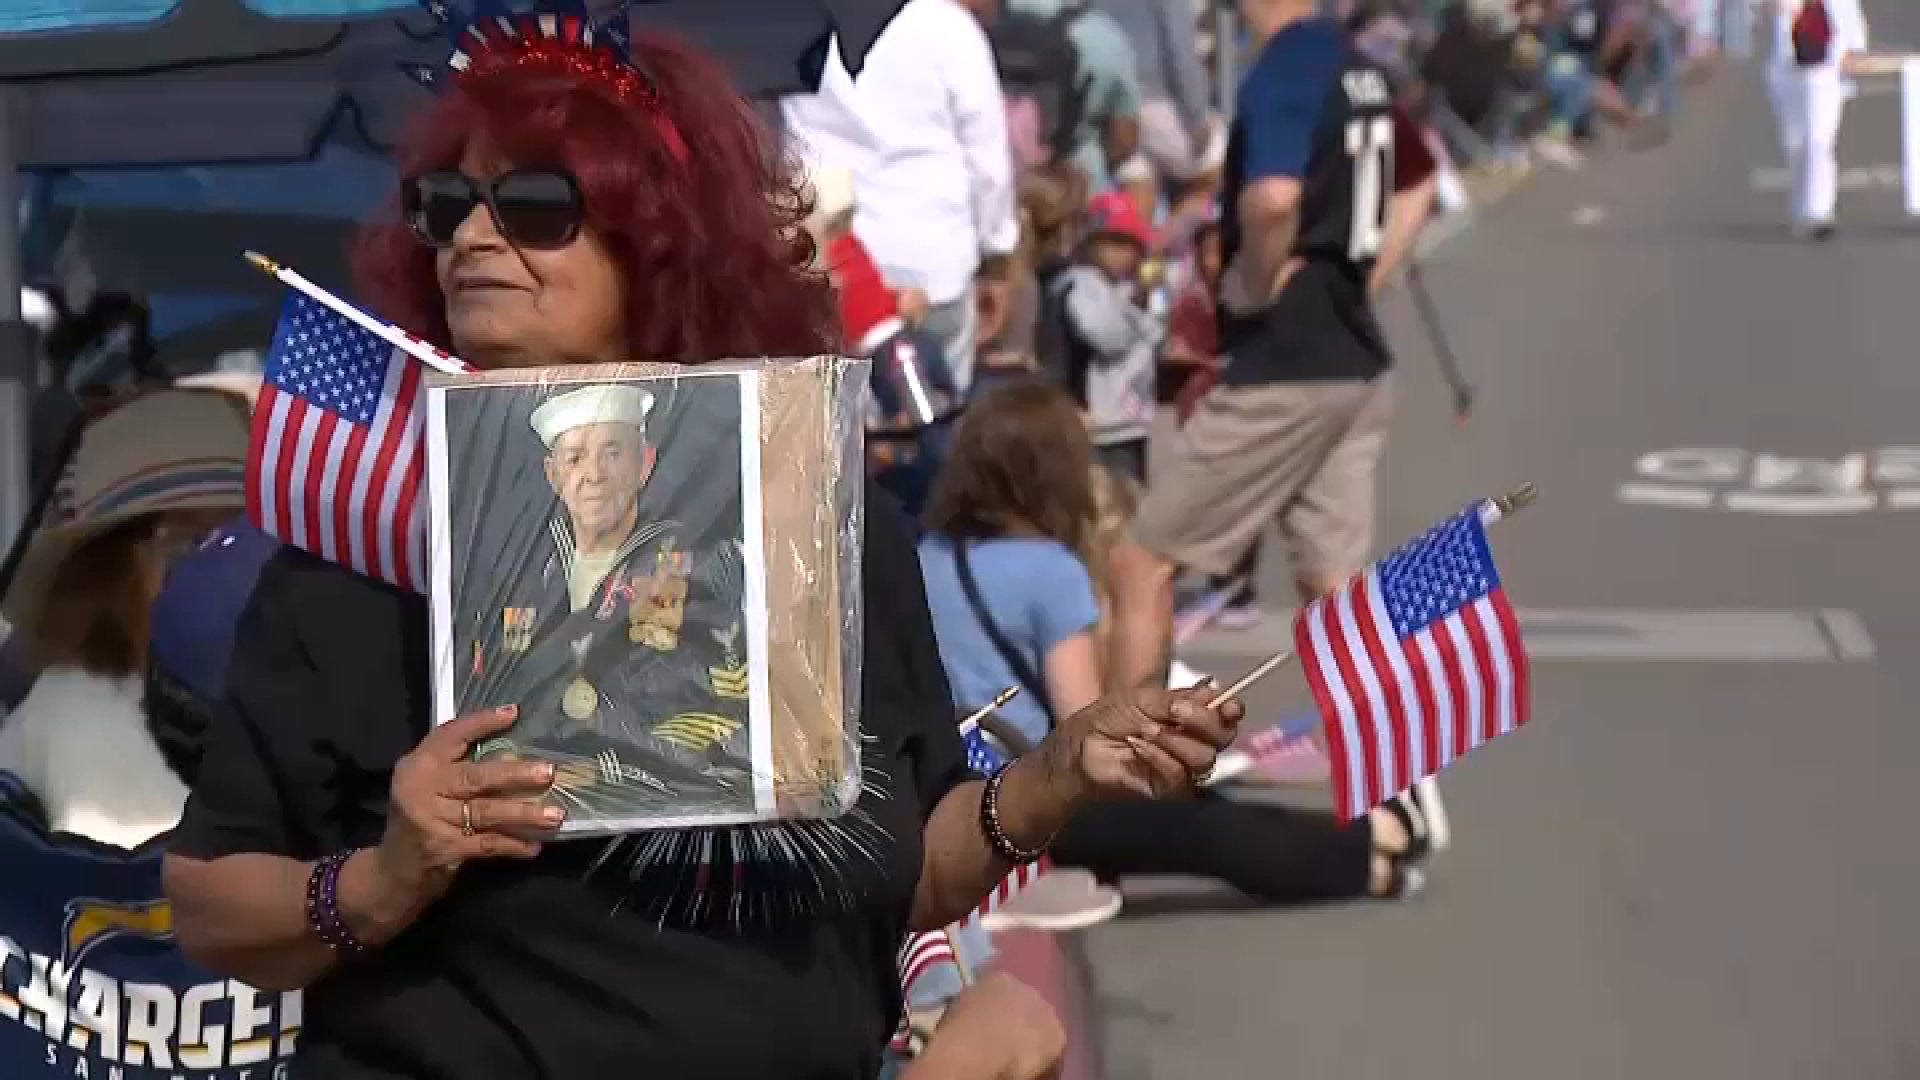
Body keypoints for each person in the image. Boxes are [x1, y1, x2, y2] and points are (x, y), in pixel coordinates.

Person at [160, 21, 1242, 1080]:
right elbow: (209, 901)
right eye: (448, 205)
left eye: (536, 205)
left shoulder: (816, 529)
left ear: (656, 244)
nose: (474, 237)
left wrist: (1058, 771)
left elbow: (901, 877)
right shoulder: (362, 551)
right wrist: (386, 879)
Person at [920, 380, 1437, 906]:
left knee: (1195, 819)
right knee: (1207, 829)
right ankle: (1372, 845)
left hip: (955, 789)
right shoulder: (1050, 573)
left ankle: (1371, 853)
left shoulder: (928, 556)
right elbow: (1082, 722)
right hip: (1033, 797)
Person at [1108, 0, 1439, 692]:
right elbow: (1419, 177)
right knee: (1336, 592)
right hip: (1354, 358)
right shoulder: (1357, 68)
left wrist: (1255, 283)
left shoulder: (1286, 67)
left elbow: (1274, 199)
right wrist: (1365, 277)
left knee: (1142, 560)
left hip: (1285, 369)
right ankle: (1386, 782)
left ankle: (1124, 780)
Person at [0, 389, 249, 848]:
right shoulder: (85, 713)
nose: (227, 566)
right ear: (105, 573)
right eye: (189, 541)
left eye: (242, 536)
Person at [783, 0, 1020, 392]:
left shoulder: (795, 24)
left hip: (835, 264)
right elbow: (987, 164)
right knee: (938, 426)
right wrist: (997, 256)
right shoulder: (946, 25)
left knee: (843, 433)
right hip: (932, 259)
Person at [1056, 191, 1161, 484]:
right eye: (1110, 243)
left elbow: (1154, 337)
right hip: (1101, 425)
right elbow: (1107, 337)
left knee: (1132, 502)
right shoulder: (1082, 285)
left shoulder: (1124, 290)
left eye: (1128, 245)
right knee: (1106, 503)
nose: (1120, 254)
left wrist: (1143, 299)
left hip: (1133, 420)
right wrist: (1137, 305)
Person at [1766, 0, 1869, 239]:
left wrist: (1854, 50)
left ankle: (1820, 211)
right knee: (1795, 144)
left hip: (1825, 70)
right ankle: (1801, 208)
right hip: (1789, 70)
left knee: (1819, 140)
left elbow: (1851, 21)